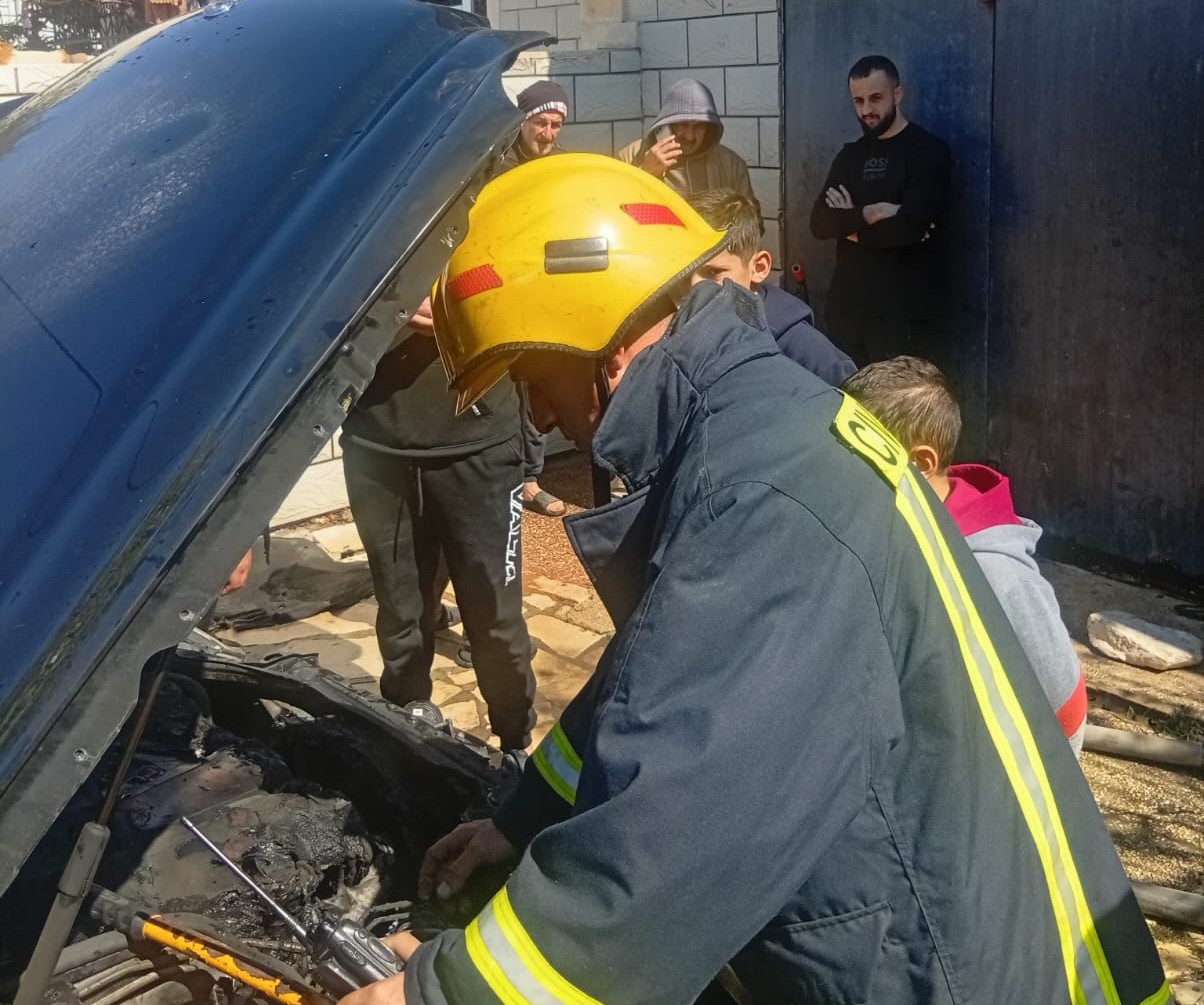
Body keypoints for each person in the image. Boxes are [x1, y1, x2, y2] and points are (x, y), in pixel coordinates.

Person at [339, 154, 1167, 1005]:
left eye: (533, 380)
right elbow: (661, 678)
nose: (541, 415)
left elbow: (674, 842)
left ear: (603, 343)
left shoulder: (764, 494)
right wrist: (523, 819)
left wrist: (439, 993)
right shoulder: (754, 425)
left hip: (972, 972)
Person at [843, 355, 1088, 755]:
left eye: (859, 456)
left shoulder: (993, 571)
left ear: (921, 462)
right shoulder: (902, 526)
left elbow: (1064, 706)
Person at [339, 295, 536, 752]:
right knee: (400, 606)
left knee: (494, 614)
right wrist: (382, 305)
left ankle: (514, 742)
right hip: (375, 446)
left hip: (480, 443)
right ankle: (407, 714)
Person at [810, 55, 951, 367]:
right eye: (858, 101)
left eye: (876, 98)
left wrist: (849, 225)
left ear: (897, 94)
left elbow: (912, 227)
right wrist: (872, 213)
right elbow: (819, 223)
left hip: (901, 317)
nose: (866, 110)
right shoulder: (850, 156)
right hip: (847, 312)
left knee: (898, 399)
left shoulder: (928, 152)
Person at [688, 188, 855, 386]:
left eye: (713, 272)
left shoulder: (809, 354)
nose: (693, 286)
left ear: (759, 268)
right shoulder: (679, 329)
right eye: (681, 275)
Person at [502, 80, 572, 517]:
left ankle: (530, 477)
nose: (547, 133)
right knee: (508, 383)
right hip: (505, 286)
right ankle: (513, 479)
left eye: (556, 124)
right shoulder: (497, 164)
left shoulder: (564, 165)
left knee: (541, 381)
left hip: (550, 287)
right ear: (522, 121)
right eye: (540, 123)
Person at [617, 78, 753, 200]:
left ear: (709, 128)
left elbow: (749, 216)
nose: (690, 136)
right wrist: (645, 172)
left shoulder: (731, 166)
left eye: (699, 126)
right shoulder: (630, 156)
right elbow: (614, 208)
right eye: (683, 125)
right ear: (666, 125)